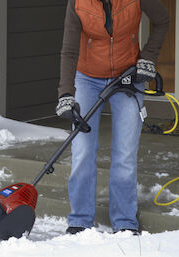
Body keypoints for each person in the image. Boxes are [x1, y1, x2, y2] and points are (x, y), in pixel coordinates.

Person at [56, 0, 169, 234]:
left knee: (125, 152)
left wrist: (147, 59)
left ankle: (125, 221)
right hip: (87, 78)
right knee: (83, 150)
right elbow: (69, 50)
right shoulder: (77, 2)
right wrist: (66, 94)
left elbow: (162, 20)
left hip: (129, 76)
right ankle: (79, 220)